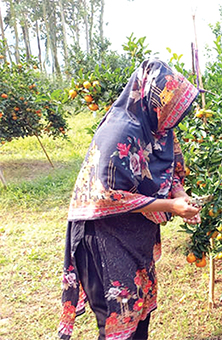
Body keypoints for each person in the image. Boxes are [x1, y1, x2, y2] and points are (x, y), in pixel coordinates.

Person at [58, 59, 203, 340]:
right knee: (117, 321)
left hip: (133, 236)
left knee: (138, 318)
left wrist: (182, 196)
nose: (173, 118)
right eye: (171, 109)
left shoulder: (159, 129)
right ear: (152, 100)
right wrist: (171, 207)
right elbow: (106, 195)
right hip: (102, 238)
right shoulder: (121, 131)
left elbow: (170, 174)